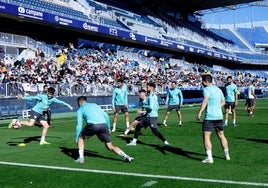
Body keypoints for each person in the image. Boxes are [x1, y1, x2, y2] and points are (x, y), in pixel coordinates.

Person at [74, 96, 133, 163]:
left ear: (79, 102)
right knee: (110, 146)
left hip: (93, 125)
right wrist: (108, 127)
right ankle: (126, 156)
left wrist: (76, 138)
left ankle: (81, 158)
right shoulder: (95, 105)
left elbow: (79, 125)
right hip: (103, 125)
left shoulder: (80, 109)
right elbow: (106, 116)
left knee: (80, 138)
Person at [8, 87, 73, 145]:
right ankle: (18, 121)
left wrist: (68, 105)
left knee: (46, 126)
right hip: (35, 111)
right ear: (47, 92)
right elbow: (32, 98)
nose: (50, 95)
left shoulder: (53, 99)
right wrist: (22, 98)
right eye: (49, 93)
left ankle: (42, 140)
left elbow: (61, 102)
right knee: (31, 124)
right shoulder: (42, 96)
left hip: (40, 114)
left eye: (51, 94)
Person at [196, 74, 230, 164]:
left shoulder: (206, 89)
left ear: (206, 81)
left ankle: (209, 158)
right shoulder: (218, 89)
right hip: (219, 116)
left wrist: (200, 112)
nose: (202, 83)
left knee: (206, 136)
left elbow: (205, 101)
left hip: (210, 117)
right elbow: (223, 102)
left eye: (202, 81)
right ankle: (227, 155)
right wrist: (217, 108)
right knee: (221, 136)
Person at [127, 82, 171, 147]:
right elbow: (157, 106)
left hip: (152, 117)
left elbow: (151, 107)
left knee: (154, 131)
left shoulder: (152, 96)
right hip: (147, 116)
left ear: (151, 88)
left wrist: (144, 107)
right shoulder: (150, 96)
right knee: (138, 126)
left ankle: (166, 143)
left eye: (147, 87)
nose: (146, 88)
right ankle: (134, 142)